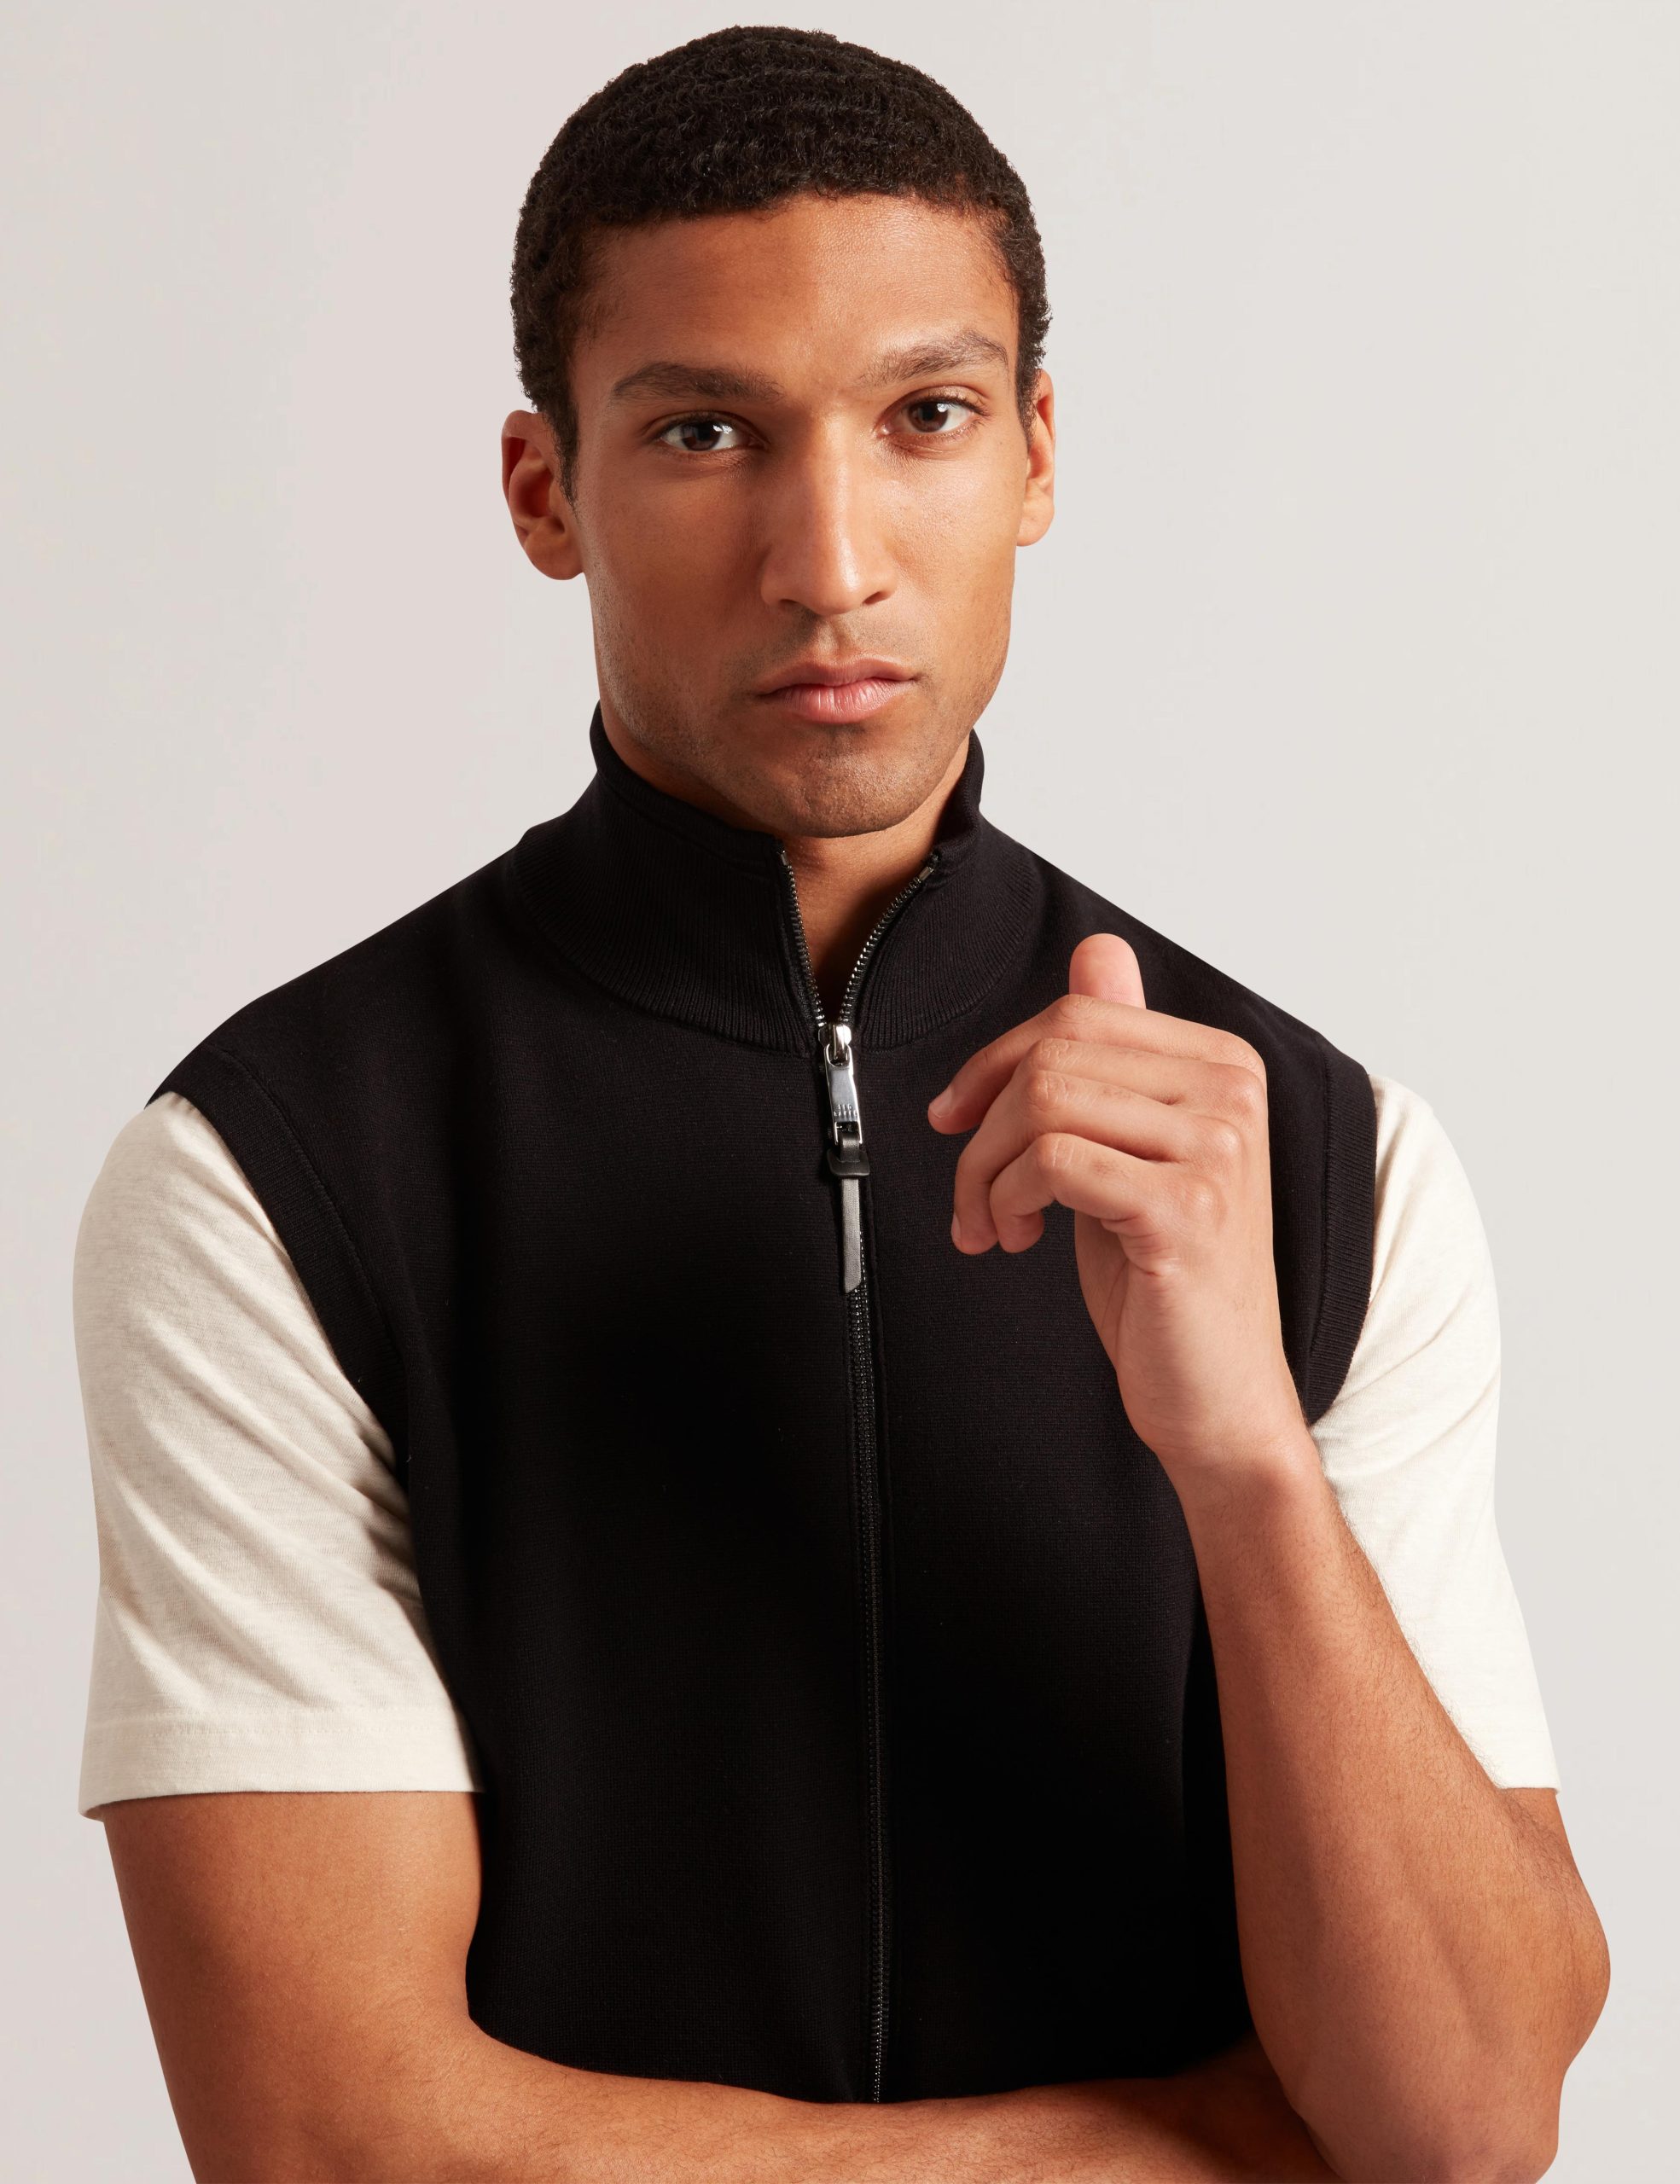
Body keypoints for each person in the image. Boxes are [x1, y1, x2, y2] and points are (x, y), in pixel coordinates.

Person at [73, 25, 1607, 2181]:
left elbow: (1460, 2116)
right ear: (545, 490)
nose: (830, 559)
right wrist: (1195, 2148)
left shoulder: (1320, 1157)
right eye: (704, 431)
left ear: (1038, 453)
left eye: (925, 418)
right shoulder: (281, 1171)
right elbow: (334, 2132)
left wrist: (1246, 1458)